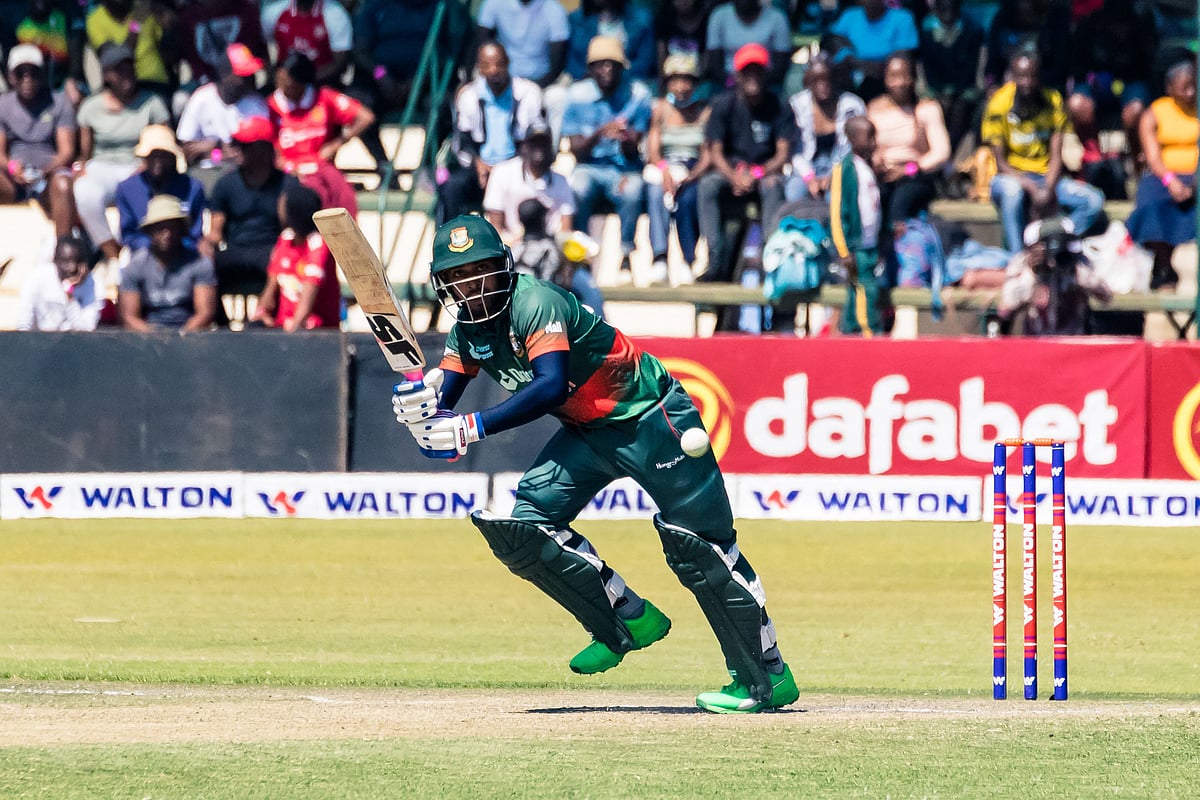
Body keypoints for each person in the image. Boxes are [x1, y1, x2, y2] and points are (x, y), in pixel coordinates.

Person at [392, 213, 798, 714]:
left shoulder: (535, 302)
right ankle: (624, 620)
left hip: (651, 418)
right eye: (457, 279)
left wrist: (466, 427)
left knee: (701, 549)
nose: (471, 291)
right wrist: (423, 410)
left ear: (504, 267)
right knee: (527, 527)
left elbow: (549, 385)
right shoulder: (466, 331)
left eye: (481, 275)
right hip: (589, 433)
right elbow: (444, 435)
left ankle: (766, 677)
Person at [982, 50, 1105, 253]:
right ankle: (1018, 256)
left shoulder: (1053, 101)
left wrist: (1047, 188)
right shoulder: (998, 104)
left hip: (1047, 177)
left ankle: (1054, 237)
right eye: (1021, 77)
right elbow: (1000, 162)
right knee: (1012, 193)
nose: (1027, 83)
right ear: (1012, 77)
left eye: (1032, 76)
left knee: (1093, 200)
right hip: (1012, 177)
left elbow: (1056, 154)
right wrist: (1031, 188)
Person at [697, 43, 792, 282]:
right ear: (737, 75)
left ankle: (771, 260)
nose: (753, 77)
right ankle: (714, 259)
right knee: (707, 185)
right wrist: (734, 176)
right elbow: (715, 151)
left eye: (758, 71)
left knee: (774, 187)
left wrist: (758, 173)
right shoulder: (722, 104)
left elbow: (782, 153)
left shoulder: (779, 104)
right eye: (747, 71)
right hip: (731, 171)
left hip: (765, 172)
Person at [562, 36, 653, 273]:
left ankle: (625, 253)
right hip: (589, 166)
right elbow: (576, 151)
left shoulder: (638, 95)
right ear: (590, 68)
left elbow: (636, 153)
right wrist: (599, 133)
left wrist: (627, 139)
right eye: (600, 64)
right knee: (577, 188)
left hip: (623, 169)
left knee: (633, 191)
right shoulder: (575, 96)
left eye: (613, 64)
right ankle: (580, 252)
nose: (607, 70)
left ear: (623, 68)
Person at [74, 44, 170, 263]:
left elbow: (164, 143)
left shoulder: (152, 103)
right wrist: (80, 169)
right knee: (84, 191)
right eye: (119, 70)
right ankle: (113, 253)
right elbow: (85, 155)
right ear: (107, 74)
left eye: (130, 69)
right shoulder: (91, 107)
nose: (127, 75)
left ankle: (140, 251)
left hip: (138, 165)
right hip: (102, 166)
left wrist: (145, 166)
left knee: (139, 189)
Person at [442, 42, 544, 222]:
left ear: (507, 63)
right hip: (481, 167)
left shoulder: (528, 93)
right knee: (452, 187)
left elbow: (538, 139)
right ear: (479, 68)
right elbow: (462, 144)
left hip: (517, 166)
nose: (493, 70)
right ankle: (448, 243)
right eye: (487, 65)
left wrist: (507, 169)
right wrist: (478, 163)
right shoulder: (469, 96)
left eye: (498, 64)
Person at [205, 116, 302, 302]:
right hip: (235, 248)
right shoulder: (226, 183)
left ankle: (268, 316)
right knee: (203, 266)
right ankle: (219, 323)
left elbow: (292, 230)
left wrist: (282, 250)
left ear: (263, 149)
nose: (237, 150)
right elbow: (215, 232)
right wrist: (206, 247)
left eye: (243, 145)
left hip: (271, 248)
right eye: (236, 144)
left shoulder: (287, 184)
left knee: (283, 262)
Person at [1065, 0, 1157, 190]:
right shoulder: (1090, 23)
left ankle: (1138, 164)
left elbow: (1148, 63)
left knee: (1136, 110)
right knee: (1077, 104)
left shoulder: (1139, 22)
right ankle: (1094, 159)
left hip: (1129, 83)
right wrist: (1093, 77)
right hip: (1096, 85)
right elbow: (1076, 63)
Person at [266, 51, 372, 215]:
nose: (283, 88)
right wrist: (288, 168)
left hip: (321, 167)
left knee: (343, 195)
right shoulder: (270, 106)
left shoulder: (323, 98)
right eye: (280, 81)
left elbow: (365, 117)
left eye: (289, 84)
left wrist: (336, 143)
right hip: (288, 172)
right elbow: (273, 155)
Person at [1126, 61, 1198, 291]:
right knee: (1152, 204)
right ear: (1169, 87)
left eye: (1193, 86)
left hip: (1195, 177)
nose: (1191, 92)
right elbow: (1152, 156)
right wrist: (1172, 182)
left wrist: (1194, 182)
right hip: (1163, 178)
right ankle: (1164, 265)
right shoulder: (1155, 113)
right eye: (1184, 87)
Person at [644, 52, 711, 283]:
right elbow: (653, 149)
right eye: (675, 80)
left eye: (686, 80)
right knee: (655, 194)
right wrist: (664, 170)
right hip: (665, 167)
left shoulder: (704, 112)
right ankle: (660, 258)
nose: (681, 86)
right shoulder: (660, 109)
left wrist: (692, 175)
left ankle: (687, 260)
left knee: (689, 200)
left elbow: (708, 153)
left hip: (692, 170)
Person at [0, 44, 77, 239]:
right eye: (21, 73)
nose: (27, 79)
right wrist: (11, 167)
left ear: (42, 75)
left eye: (33, 73)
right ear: (11, 76)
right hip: (13, 179)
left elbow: (66, 151)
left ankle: (64, 247)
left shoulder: (59, 102)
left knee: (63, 184)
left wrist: (43, 172)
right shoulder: (3, 105)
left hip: (48, 176)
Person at [866, 53, 950, 228]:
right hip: (885, 175)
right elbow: (869, 146)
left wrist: (908, 170)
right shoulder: (874, 109)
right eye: (893, 77)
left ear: (913, 78)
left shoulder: (926, 108)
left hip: (917, 175)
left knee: (900, 204)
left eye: (905, 76)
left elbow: (942, 152)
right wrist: (878, 163)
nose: (900, 82)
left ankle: (903, 250)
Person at [996, 215, 1112, 335]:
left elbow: (1106, 296)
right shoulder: (1022, 265)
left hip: (1073, 338)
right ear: (1033, 247)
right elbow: (1005, 310)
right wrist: (1033, 278)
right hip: (1037, 341)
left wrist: (1078, 276)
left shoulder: (1075, 264)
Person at [784, 51, 865, 222]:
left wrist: (835, 175)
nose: (823, 85)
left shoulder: (852, 105)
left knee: (834, 199)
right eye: (816, 80)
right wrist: (809, 178)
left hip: (841, 167)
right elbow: (794, 150)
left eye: (827, 79)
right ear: (808, 82)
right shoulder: (796, 106)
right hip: (805, 168)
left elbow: (855, 148)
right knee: (794, 192)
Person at [118, 194, 217, 332]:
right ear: (150, 231)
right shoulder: (136, 265)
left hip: (190, 336)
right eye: (160, 228)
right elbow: (129, 316)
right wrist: (154, 338)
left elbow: (205, 313)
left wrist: (181, 336)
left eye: (172, 228)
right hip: (147, 338)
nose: (167, 234)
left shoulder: (199, 263)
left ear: (182, 230)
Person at [251, 184, 342, 331]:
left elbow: (308, 294)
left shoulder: (318, 245)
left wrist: (294, 326)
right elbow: (270, 289)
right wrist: (261, 313)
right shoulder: (285, 239)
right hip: (283, 325)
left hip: (314, 329)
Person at [175, 44, 270, 170]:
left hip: (244, 172)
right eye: (242, 75)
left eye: (250, 74)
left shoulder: (257, 104)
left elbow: (258, 151)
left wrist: (211, 147)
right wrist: (219, 149)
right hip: (207, 172)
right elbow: (187, 150)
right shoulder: (201, 98)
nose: (249, 79)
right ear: (224, 73)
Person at [830, 116, 884, 336]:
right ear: (852, 138)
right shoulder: (845, 169)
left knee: (857, 290)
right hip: (856, 245)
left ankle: (848, 329)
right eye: (868, 137)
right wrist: (843, 250)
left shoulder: (868, 167)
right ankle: (869, 331)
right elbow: (837, 213)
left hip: (870, 242)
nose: (874, 142)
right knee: (865, 289)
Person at [116, 125, 206, 252]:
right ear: (144, 158)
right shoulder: (127, 189)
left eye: (164, 155)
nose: (158, 161)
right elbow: (128, 234)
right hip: (143, 254)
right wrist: (154, 247)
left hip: (184, 255)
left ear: (173, 156)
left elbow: (195, 232)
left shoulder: (192, 188)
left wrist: (176, 247)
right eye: (152, 155)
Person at [482, 121, 575, 240]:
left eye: (543, 144)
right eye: (534, 144)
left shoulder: (561, 181)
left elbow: (566, 229)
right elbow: (496, 226)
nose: (539, 149)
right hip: (513, 244)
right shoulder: (502, 173)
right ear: (525, 146)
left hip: (549, 246)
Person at [918, 0, 984, 155]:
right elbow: (926, 64)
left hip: (964, 88)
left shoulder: (972, 28)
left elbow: (974, 66)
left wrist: (959, 91)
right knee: (938, 109)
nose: (947, 12)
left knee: (961, 110)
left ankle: (951, 155)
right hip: (936, 87)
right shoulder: (926, 28)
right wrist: (937, 91)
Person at [16, 235, 111, 331]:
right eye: (66, 262)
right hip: (40, 342)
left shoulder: (95, 284)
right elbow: (23, 324)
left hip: (75, 343)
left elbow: (86, 330)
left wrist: (70, 296)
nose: (73, 268)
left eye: (79, 261)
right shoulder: (37, 278)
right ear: (55, 261)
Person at [829, 0, 919, 100]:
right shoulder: (850, 16)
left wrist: (870, 67)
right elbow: (835, 40)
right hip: (854, 78)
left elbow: (903, 54)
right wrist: (856, 62)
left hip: (886, 79)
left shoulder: (902, 18)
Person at [85, 0, 172, 99]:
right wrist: (136, 23)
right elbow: (117, 55)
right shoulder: (94, 20)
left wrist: (165, 15)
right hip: (122, 87)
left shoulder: (144, 8)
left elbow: (169, 48)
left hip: (155, 82)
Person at [174, 0, 269, 89]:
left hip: (243, 77)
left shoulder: (246, 10)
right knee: (181, 99)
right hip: (205, 80)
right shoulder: (188, 16)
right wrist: (204, 79)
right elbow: (192, 55)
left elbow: (253, 47)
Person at [475, 0, 569, 87]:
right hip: (500, 74)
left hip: (540, 78)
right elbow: (482, 40)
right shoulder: (494, 2)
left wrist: (532, 88)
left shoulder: (555, 10)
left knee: (556, 97)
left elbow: (558, 63)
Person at [262, 0, 353, 86]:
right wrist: (274, 75)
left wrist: (305, 83)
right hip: (285, 83)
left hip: (323, 83)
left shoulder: (335, 15)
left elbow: (339, 61)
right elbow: (261, 46)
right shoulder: (274, 12)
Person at [564, 0, 656, 83]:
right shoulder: (576, 20)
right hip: (587, 83)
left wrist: (616, 76)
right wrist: (593, 76)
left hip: (630, 82)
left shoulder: (641, 19)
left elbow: (644, 61)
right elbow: (571, 61)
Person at [704, 0, 790, 88]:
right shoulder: (719, 15)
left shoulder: (777, 18)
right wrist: (732, 83)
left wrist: (757, 85)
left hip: (766, 83)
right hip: (727, 83)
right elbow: (714, 63)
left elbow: (781, 65)